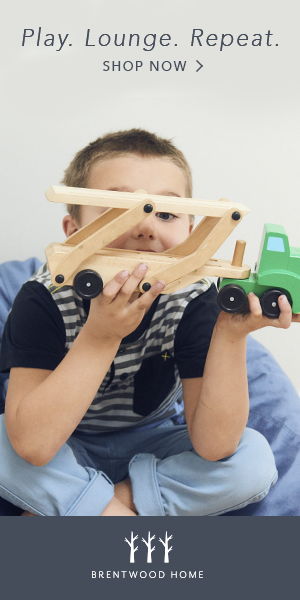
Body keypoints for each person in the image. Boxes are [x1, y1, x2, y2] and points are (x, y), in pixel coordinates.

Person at [0, 129, 298, 517]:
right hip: (62, 447)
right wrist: (100, 336)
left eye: (167, 213)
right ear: (73, 234)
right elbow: (33, 444)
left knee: (255, 459)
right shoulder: (43, 299)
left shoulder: (193, 302)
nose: (145, 227)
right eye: (119, 211)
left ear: (190, 232)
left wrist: (229, 336)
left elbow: (213, 445)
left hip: (154, 447)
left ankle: (101, 506)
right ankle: (115, 513)